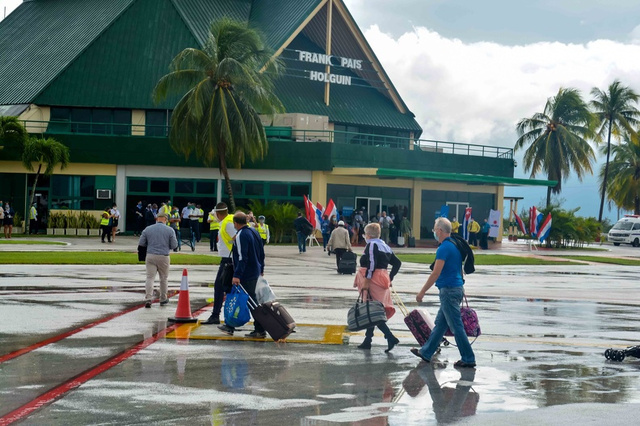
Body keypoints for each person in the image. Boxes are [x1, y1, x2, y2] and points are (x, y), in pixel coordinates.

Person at [412, 217, 476, 368]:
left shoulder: (444, 248)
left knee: (456, 326)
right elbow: (459, 269)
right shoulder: (455, 244)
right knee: (440, 324)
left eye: (435, 229)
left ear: (440, 231)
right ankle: (426, 352)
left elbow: (435, 273)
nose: (434, 232)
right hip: (455, 288)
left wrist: (421, 292)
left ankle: (468, 358)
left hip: (448, 291)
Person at [218, 212, 266, 338]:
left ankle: (260, 329)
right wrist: (262, 268)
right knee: (249, 300)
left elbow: (242, 257)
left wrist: (237, 275)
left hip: (246, 273)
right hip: (255, 270)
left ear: (235, 223)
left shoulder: (241, 235)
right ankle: (230, 326)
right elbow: (261, 252)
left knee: (251, 302)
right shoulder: (254, 232)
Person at [354, 222, 401, 352]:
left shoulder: (371, 245)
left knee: (372, 311)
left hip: (373, 279)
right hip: (382, 278)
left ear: (368, 235)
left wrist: (367, 280)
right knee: (373, 309)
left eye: (365, 234)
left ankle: (390, 337)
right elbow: (397, 263)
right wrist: (390, 277)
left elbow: (372, 263)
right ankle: (368, 340)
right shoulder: (384, 246)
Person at [202, 203, 236, 325]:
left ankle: (217, 315)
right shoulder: (228, 220)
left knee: (221, 287)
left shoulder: (228, 223)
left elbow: (238, 238)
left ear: (218, 214)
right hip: (228, 259)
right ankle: (220, 316)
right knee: (224, 287)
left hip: (230, 260)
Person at [138, 212, 178, 308]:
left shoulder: (148, 229)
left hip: (151, 255)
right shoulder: (170, 230)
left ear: (157, 219)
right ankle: (163, 298)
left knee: (150, 277)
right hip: (164, 256)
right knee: (163, 278)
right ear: (165, 219)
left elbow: (141, 243)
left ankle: (148, 298)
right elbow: (174, 245)